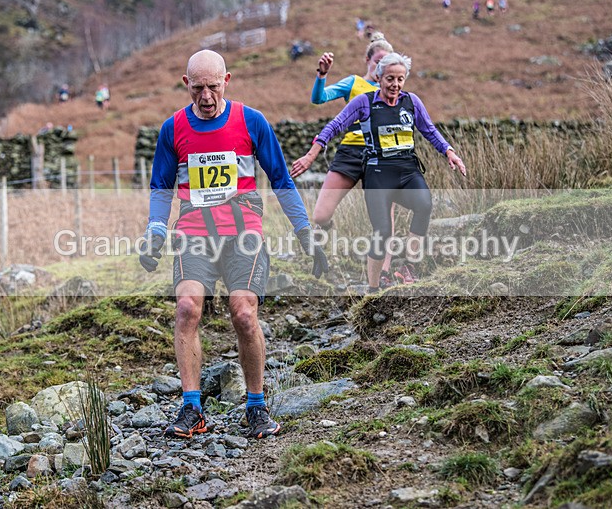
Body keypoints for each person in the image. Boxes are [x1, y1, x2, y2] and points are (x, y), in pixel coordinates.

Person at [140, 50, 328, 440]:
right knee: (187, 308)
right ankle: (192, 407)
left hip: (244, 231)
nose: (205, 97)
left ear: (228, 81)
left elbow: (281, 179)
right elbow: (161, 187)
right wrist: (155, 231)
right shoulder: (172, 128)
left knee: (243, 313)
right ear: (185, 84)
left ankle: (256, 407)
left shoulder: (251, 121)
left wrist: (306, 232)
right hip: (193, 231)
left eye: (212, 86)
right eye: (197, 88)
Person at [292, 52, 467, 293]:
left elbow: (429, 129)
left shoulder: (412, 101)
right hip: (378, 173)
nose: (395, 85)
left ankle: (409, 266)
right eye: (390, 79)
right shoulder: (364, 102)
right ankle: (373, 288)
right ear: (379, 77)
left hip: (407, 170)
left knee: (424, 204)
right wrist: (311, 155)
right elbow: (334, 126)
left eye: (400, 79)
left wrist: (449, 151)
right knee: (383, 232)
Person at [293, 33, 406, 287]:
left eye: (388, 63)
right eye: (378, 61)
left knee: (385, 221)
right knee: (320, 216)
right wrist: (321, 75)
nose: (382, 68)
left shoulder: (394, 89)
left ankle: (383, 274)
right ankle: (325, 232)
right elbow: (318, 99)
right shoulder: (354, 84)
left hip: (382, 156)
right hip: (350, 154)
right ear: (368, 60)